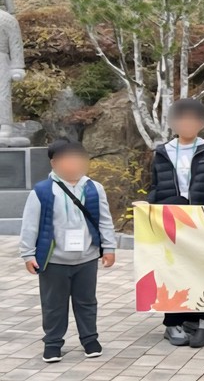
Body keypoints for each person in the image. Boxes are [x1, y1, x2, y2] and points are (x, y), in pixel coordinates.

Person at [19, 139, 117, 363]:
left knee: (87, 302)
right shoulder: (42, 191)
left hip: (87, 257)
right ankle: (53, 343)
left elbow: (104, 219)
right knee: (53, 304)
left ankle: (90, 340)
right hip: (54, 260)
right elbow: (30, 225)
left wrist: (109, 247)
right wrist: (28, 254)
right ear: (54, 163)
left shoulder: (94, 188)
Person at [148, 99, 204, 348]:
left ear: (202, 123)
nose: (187, 123)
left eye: (193, 119)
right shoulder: (162, 152)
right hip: (172, 222)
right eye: (181, 119)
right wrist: (150, 208)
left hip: (202, 222)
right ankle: (173, 324)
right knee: (172, 270)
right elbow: (156, 186)